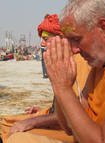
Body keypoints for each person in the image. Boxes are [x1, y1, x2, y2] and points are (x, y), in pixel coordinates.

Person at [6, 0, 105, 142]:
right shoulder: (99, 66)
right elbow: (68, 127)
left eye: (77, 39)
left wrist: (63, 88)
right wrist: (58, 84)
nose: (74, 49)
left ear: (104, 28)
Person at [1, 14, 90, 143]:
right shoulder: (62, 61)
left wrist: (34, 121)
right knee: (7, 122)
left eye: (46, 38)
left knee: (14, 132)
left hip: (73, 131)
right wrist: (44, 111)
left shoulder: (79, 62)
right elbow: (64, 102)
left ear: (62, 39)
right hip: (59, 119)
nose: (42, 43)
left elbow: (76, 112)